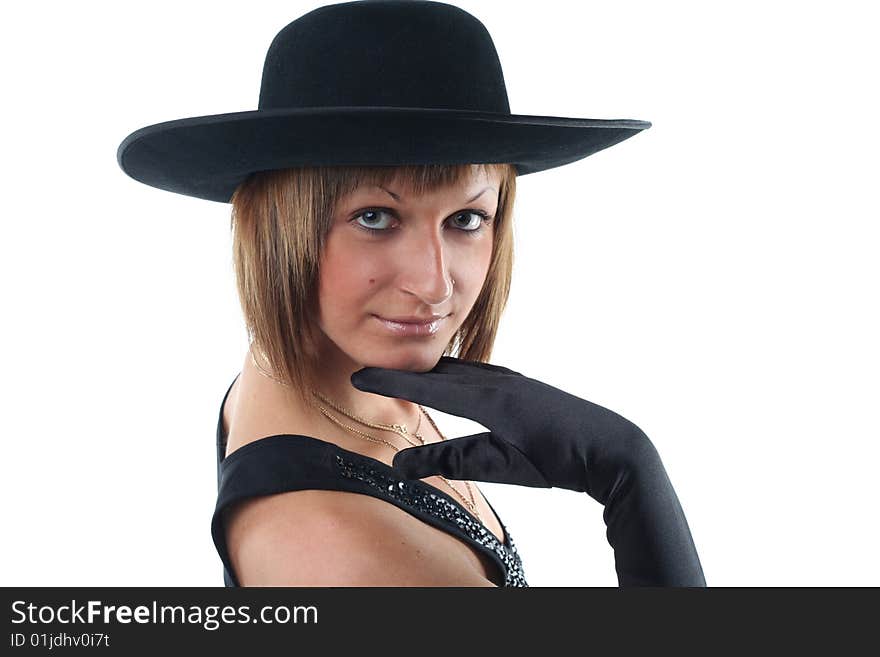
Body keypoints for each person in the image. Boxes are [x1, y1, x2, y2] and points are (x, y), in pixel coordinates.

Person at [116, 0, 704, 587]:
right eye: (375, 217)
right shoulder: (348, 554)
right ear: (276, 228)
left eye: (467, 219)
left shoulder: (323, 367)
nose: (435, 284)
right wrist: (632, 478)